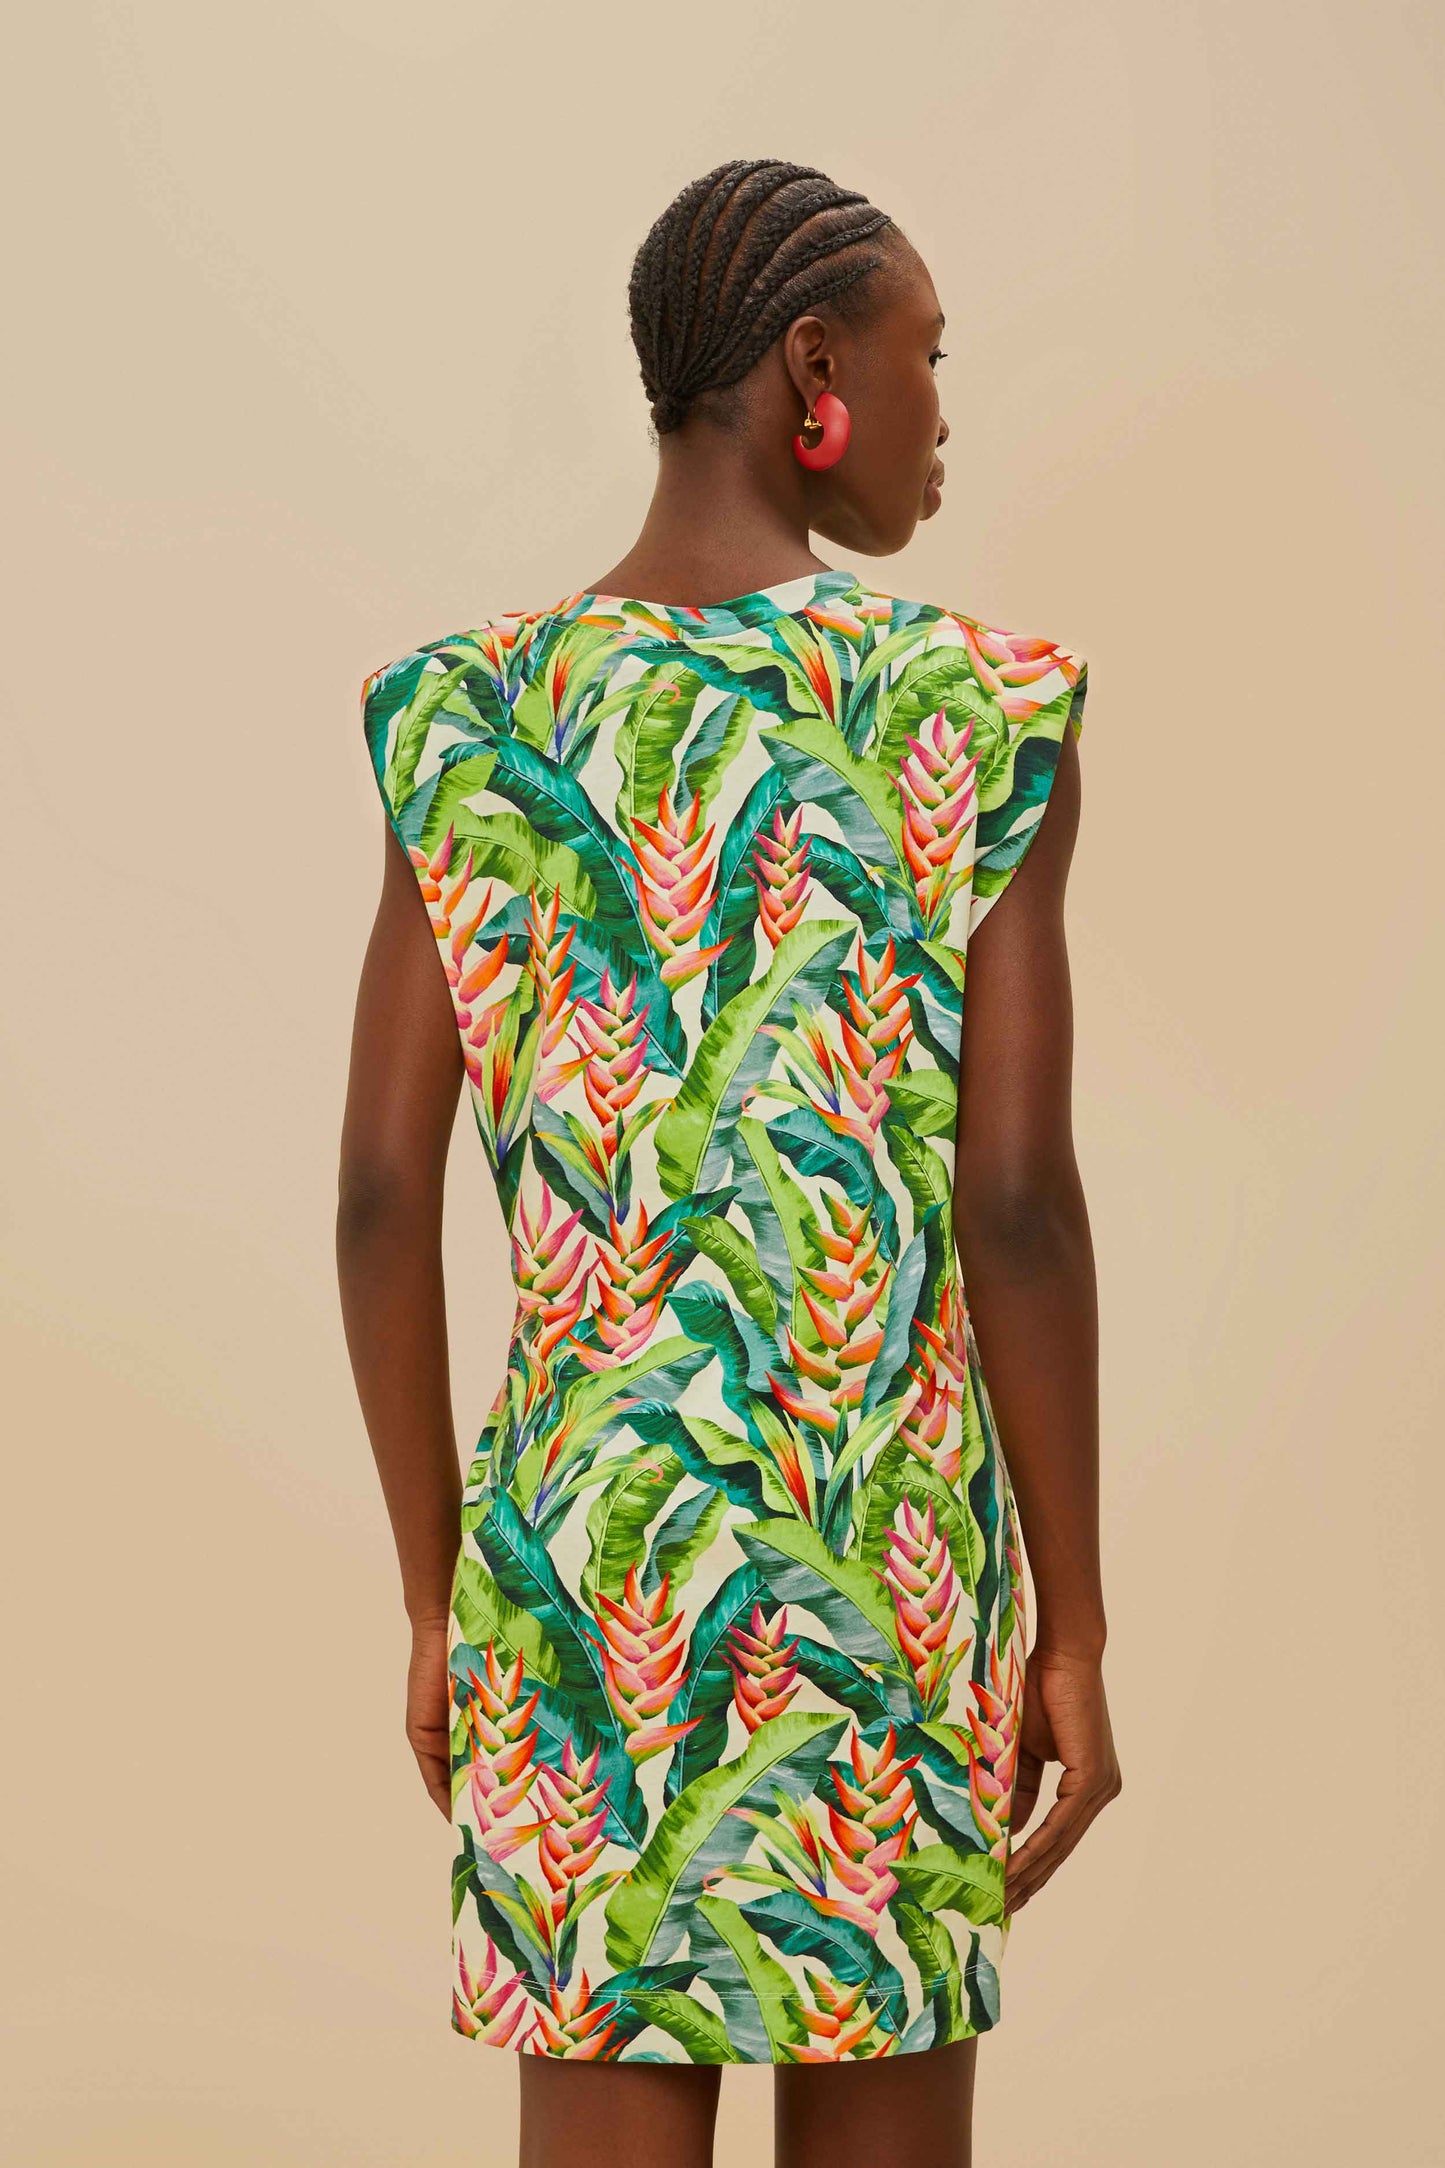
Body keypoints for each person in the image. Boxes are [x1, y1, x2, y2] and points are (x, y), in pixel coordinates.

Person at [338, 156, 1120, 2168]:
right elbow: (1014, 1202)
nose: (944, 413)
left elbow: (378, 1196)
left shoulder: (471, 713)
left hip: (580, 1577)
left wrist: (437, 1595)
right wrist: (1073, 1631)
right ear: (814, 371)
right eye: (929, 357)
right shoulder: (973, 707)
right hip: (880, 1563)